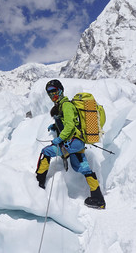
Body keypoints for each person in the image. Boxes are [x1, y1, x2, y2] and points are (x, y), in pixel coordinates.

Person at [35, 79, 106, 209]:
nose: (52, 95)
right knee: (83, 167)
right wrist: (55, 126)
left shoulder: (66, 105)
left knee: (46, 152)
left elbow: (70, 125)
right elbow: (68, 122)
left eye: (54, 91)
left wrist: (59, 139)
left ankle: (38, 184)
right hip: (77, 143)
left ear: (61, 90)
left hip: (71, 143)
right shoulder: (62, 105)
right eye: (49, 93)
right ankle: (98, 199)